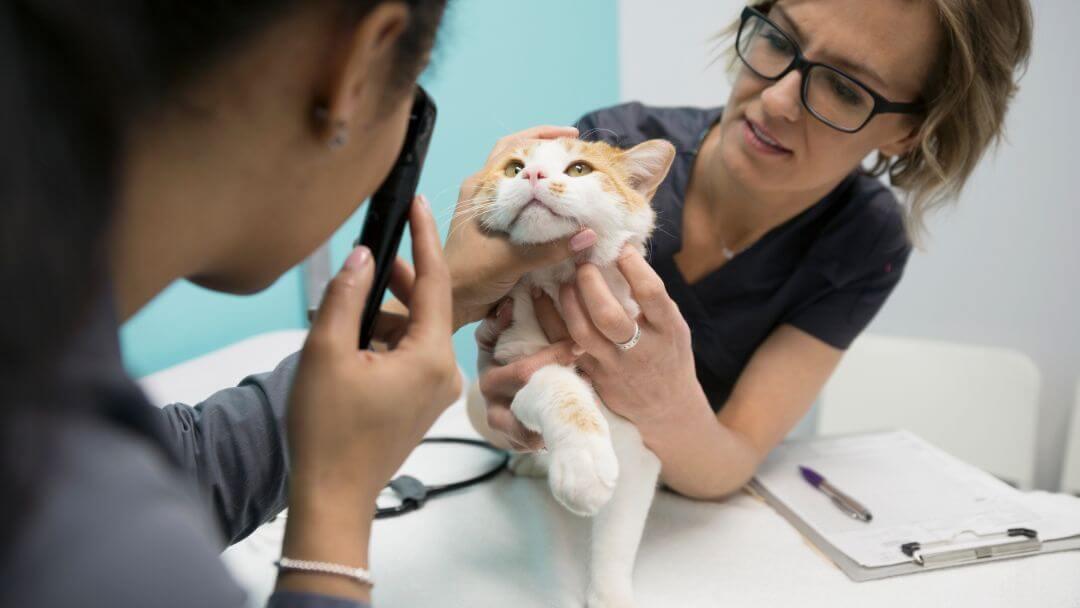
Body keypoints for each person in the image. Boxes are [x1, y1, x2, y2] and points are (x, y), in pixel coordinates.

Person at [0, 1, 595, 607]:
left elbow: (181, 466)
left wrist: (450, 298)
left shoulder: (45, 368)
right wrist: (335, 508)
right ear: (356, 68)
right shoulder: (74, 528)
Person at [470, 0, 1034, 500]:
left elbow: (730, 461)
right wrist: (515, 404)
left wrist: (664, 399)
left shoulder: (862, 240)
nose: (777, 99)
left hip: (683, 517)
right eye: (779, 40)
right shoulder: (614, 155)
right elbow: (494, 393)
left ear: (909, 132)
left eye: (845, 89)